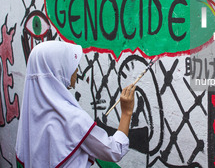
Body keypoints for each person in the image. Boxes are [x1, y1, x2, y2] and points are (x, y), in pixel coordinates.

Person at [15, 40, 135, 168]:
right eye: (72, 64)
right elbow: (115, 150)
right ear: (59, 69)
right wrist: (126, 113)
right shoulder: (72, 120)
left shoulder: (30, 114)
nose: (76, 70)